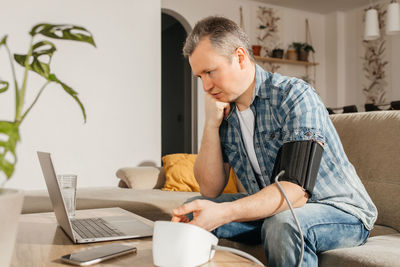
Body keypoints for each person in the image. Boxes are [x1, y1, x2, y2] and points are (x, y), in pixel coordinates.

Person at [171, 16, 377, 266]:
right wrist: (210, 124)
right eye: (199, 77)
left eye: (210, 72)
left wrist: (223, 213)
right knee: (194, 210)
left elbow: (296, 192)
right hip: (274, 209)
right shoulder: (225, 111)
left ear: (239, 57)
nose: (205, 86)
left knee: (283, 224)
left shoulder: (295, 95)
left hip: (340, 210)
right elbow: (209, 189)